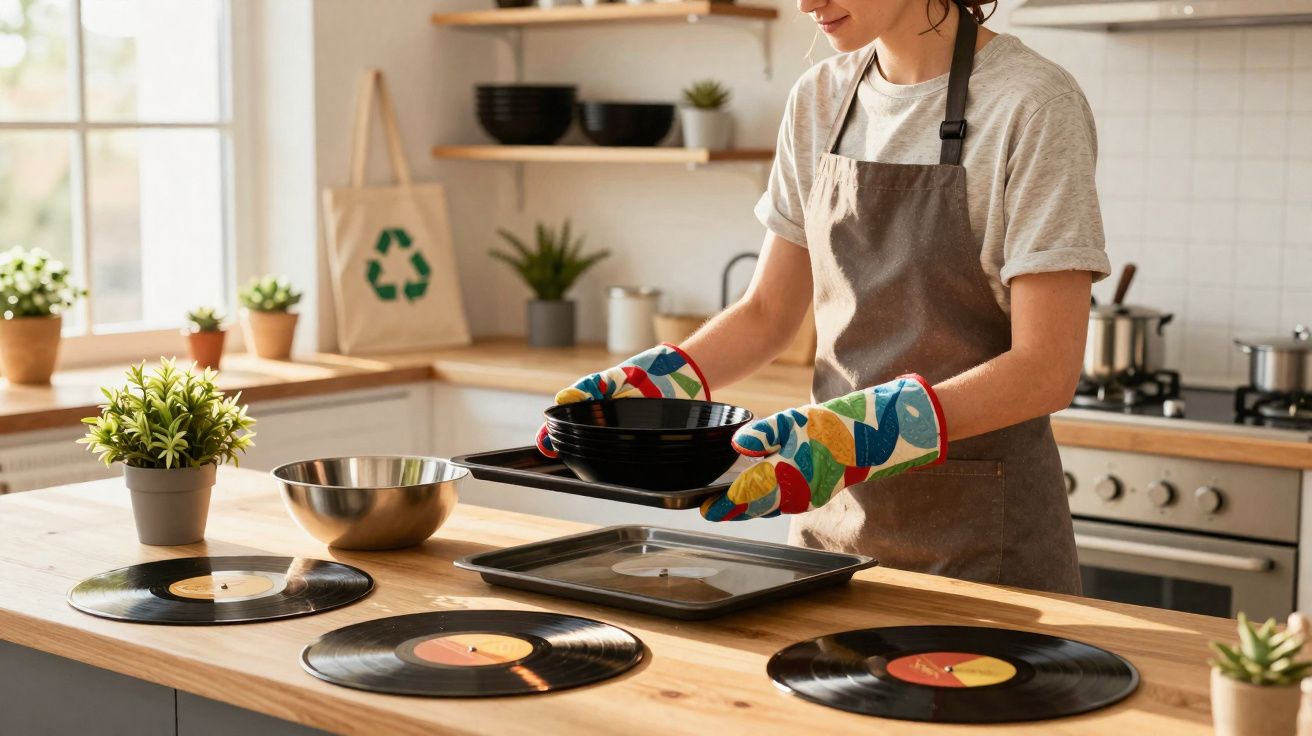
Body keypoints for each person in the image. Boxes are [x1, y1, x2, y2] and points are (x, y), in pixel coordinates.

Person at [537, 0, 1109, 595]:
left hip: (984, 552)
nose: (807, 4)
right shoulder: (821, 98)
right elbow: (768, 314)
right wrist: (664, 383)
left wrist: (863, 435)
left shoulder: (1033, 104)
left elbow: (1047, 369)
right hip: (831, 539)